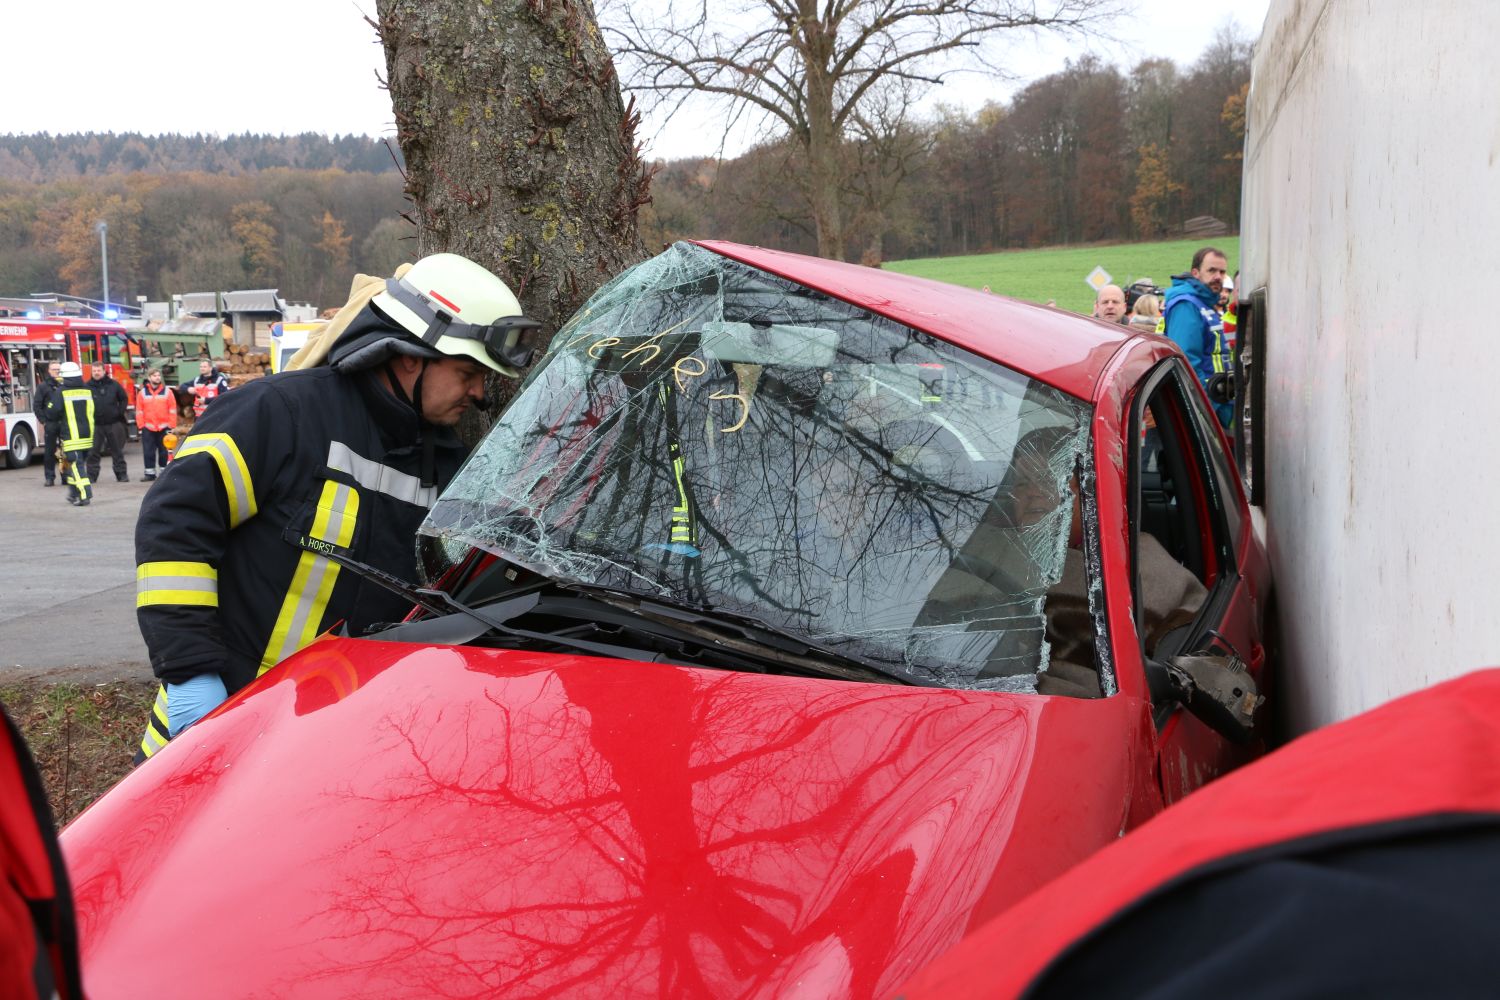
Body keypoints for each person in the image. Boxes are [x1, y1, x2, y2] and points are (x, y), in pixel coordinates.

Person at [133, 252, 540, 761]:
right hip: (210, 730)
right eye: (466, 372)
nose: (480, 394)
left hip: (335, 752)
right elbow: (173, 529)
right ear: (409, 355)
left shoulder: (448, 468)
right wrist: (192, 673)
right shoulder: (280, 414)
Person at [1162, 247, 1233, 427]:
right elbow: (1187, 361)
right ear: (1196, 273)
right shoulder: (1186, 305)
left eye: (1222, 272)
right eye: (1211, 270)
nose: (1218, 276)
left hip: (1217, 401)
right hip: (1205, 408)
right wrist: (1206, 408)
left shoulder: (1205, 304)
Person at [56, 362, 94, 507]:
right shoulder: (88, 390)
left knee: (77, 467)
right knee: (74, 466)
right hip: (87, 437)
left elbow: (52, 412)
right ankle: (73, 494)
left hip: (72, 437)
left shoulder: (62, 392)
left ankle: (85, 495)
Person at [86, 363, 130, 484]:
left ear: (104, 371)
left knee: (117, 451)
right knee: (93, 452)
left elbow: (123, 399)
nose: (96, 373)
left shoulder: (114, 385)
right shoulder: (87, 387)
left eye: (98, 370)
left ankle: (121, 475)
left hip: (113, 423)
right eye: (94, 370)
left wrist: (119, 412)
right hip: (95, 425)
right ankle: (91, 476)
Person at [135, 366, 176, 481]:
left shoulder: (168, 392)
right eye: (155, 376)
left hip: (164, 427)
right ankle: (149, 473)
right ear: (149, 377)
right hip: (148, 427)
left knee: (164, 451)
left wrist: (171, 426)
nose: (157, 378)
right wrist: (141, 426)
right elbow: (139, 410)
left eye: (158, 376)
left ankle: (164, 473)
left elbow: (172, 409)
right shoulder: (142, 393)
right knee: (148, 451)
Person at [34, 361, 63, 487]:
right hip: (50, 423)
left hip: (65, 423)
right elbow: (37, 406)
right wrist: (44, 421)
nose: (56, 371)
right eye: (54, 369)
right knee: (49, 452)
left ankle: (66, 476)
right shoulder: (43, 387)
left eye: (58, 369)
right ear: (49, 371)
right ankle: (49, 477)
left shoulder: (65, 385)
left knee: (65, 452)